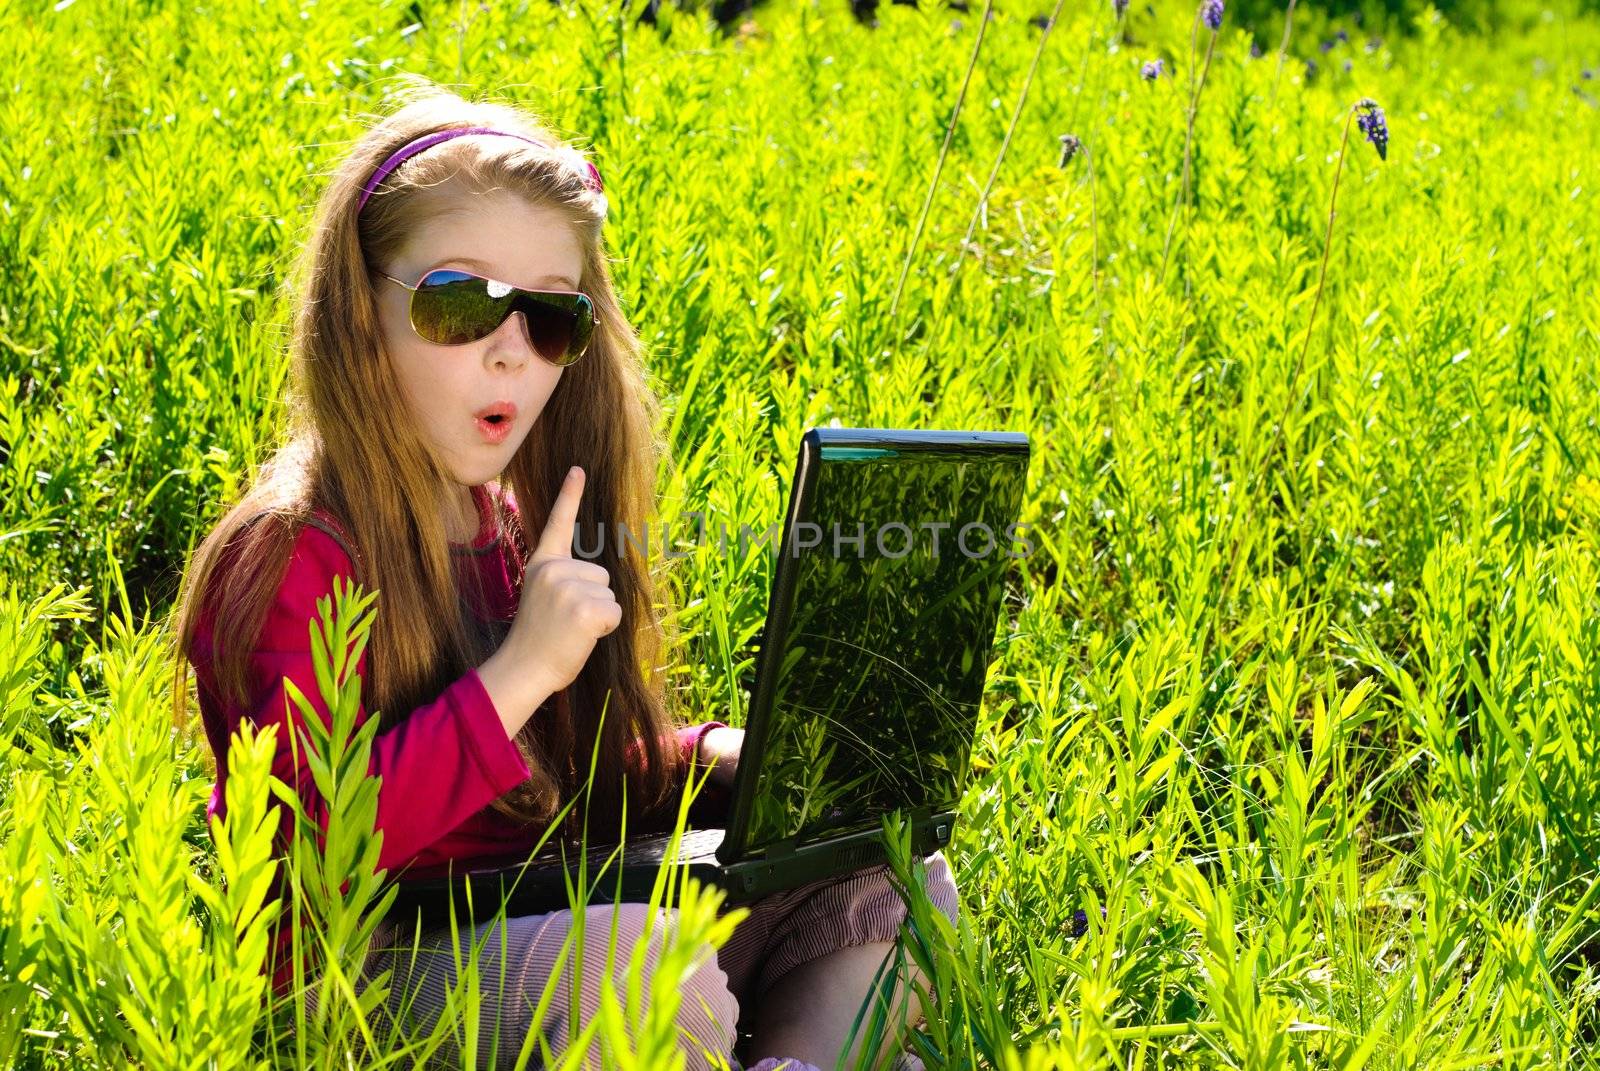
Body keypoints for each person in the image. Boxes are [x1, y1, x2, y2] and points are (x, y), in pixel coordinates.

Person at [167, 77, 958, 1070]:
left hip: (537, 908)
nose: (511, 355)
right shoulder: (289, 552)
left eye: (550, 318)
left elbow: (557, 781)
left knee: (895, 875)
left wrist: (720, 757)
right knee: (644, 963)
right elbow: (318, 852)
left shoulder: (505, 522)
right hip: (361, 968)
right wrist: (522, 670)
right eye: (460, 305)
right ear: (360, 311)